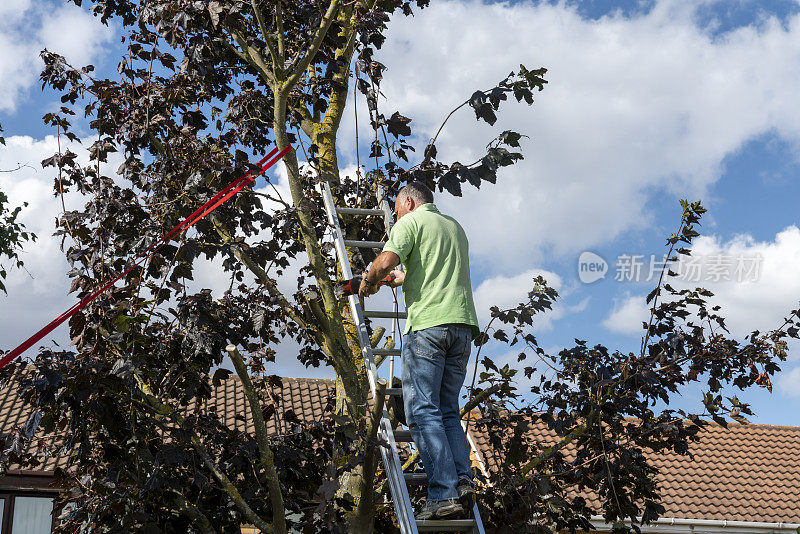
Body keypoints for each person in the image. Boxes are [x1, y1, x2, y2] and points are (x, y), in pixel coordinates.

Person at [359, 181, 479, 520]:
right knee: (447, 411)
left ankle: (442, 495)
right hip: (461, 328)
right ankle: (463, 480)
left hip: (428, 326)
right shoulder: (454, 227)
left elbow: (384, 261)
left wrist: (368, 281)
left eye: (396, 208)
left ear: (408, 202)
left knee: (423, 412)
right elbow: (421, 272)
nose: (394, 214)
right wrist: (395, 279)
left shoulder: (409, 223)